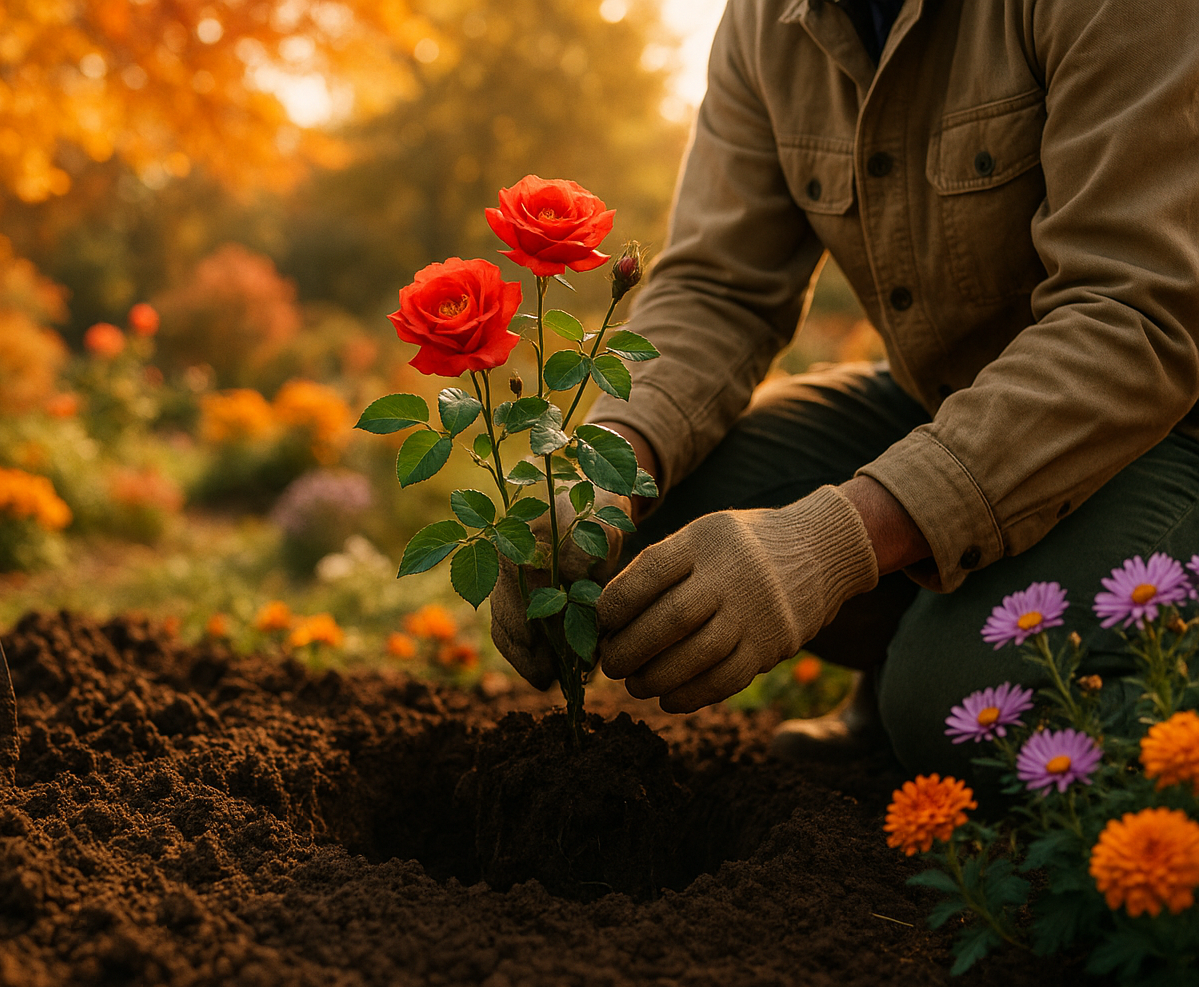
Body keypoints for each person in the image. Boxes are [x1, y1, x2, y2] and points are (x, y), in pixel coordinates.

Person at [491, 0, 1199, 783]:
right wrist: (605, 469)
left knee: (957, 709)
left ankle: (944, 672)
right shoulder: (768, 19)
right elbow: (718, 289)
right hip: (960, 405)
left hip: (1167, 421)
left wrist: (832, 542)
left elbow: (1134, 318)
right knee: (671, 509)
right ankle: (921, 638)